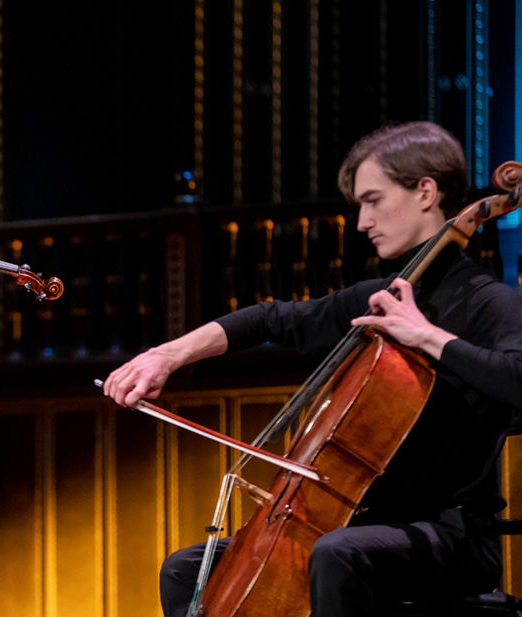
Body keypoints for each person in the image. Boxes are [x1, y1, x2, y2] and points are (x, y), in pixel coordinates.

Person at [103, 121, 522, 617]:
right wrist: (167, 355)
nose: (362, 221)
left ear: (425, 192)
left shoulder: (491, 303)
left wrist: (427, 336)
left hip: (451, 536)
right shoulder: (378, 297)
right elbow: (268, 318)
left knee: (336, 554)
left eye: (373, 200)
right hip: (358, 525)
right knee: (186, 569)